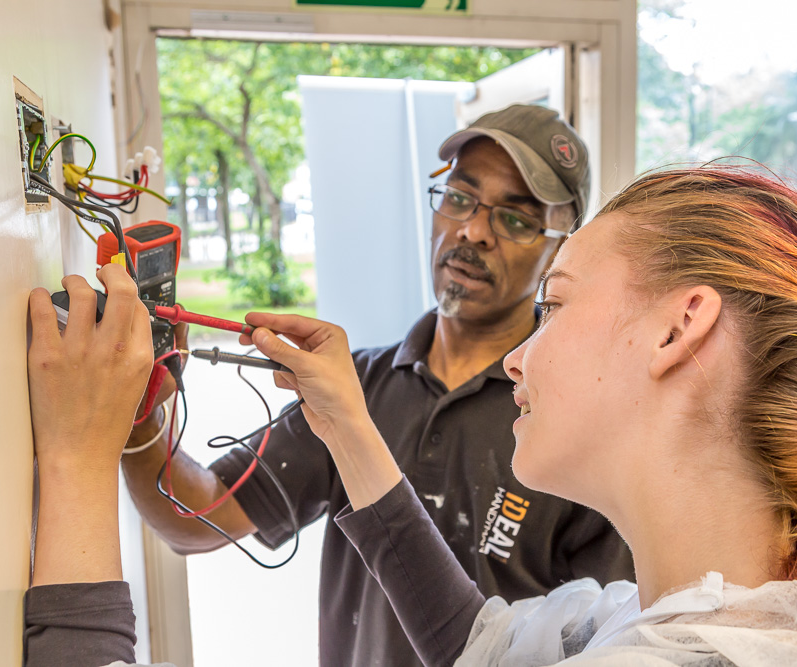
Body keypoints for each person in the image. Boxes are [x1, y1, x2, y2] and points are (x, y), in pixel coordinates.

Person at [25, 164, 797, 666]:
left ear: (678, 328)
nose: (519, 357)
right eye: (458, 196)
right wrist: (350, 427)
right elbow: (478, 644)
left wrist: (72, 457)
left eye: (559, 305)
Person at [115, 104, 633, 666]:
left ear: (561, 250)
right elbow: (199, 517)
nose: (473, 230)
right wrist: (139, 413)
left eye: (515, 219)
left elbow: (613, 645)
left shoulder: (581, 426)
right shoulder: (353, 387)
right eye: (460, 197)